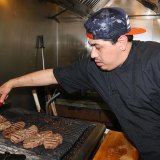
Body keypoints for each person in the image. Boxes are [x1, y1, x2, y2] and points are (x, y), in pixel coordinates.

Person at [0, 7, 160, 160]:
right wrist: (11, 83)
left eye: (98, 46)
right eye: (92, 46)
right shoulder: (94, 67)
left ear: (122, 42)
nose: (93, 54)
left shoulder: (154, 61)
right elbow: (52, 75)